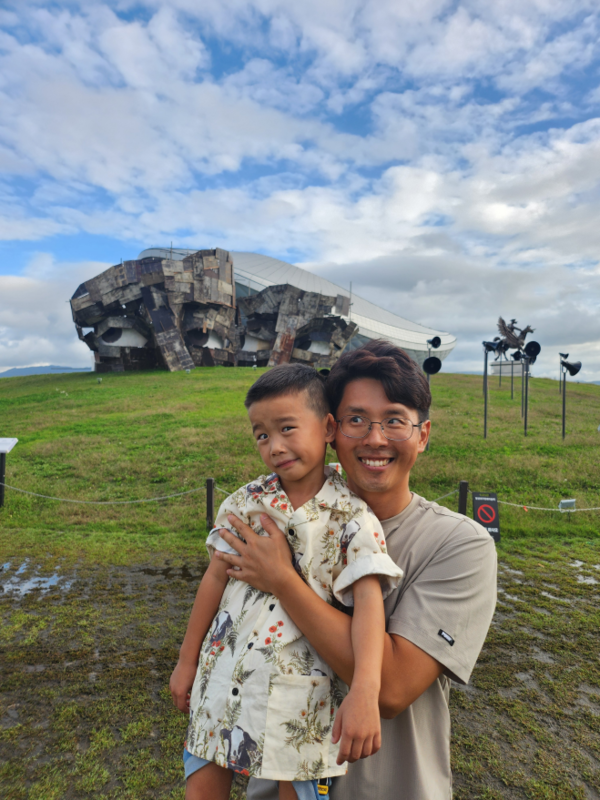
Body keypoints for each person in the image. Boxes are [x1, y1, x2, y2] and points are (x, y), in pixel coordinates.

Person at [216, 340, 498, 800]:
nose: (375, 438)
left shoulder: (458, 544)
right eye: (356, 419)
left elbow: (392, 689)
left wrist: (283, 580)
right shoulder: (279, 517)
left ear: (423, 435)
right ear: (331, 429)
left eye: (394, 420)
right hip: (277, 781)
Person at [170, 363, 403, 800]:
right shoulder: (245, 503)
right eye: (261, 435)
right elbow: (215, 578)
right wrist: (186, 661)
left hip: (301, 704)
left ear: (327, 427)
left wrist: (365, 691)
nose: (274, 446)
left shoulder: (353, 518)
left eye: (287, 428)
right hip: (221, 680)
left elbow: (370, 608)